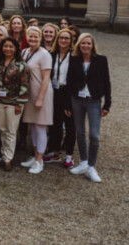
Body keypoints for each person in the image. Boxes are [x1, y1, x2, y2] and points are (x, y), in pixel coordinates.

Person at [66, 33, 111, 183]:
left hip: (94, 101)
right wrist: (68, 104)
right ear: (79, 45)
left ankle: (91, 166)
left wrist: (107, 104)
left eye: (88, 43)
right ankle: (84, 161)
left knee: (94, 135)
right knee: (80, 132)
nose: (86, 46)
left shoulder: (101, 60)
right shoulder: (74, 60)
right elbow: (69, 82)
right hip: (77, 100)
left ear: (92, 45)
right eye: (83, 43)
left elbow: (107, 82)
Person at [19, 26, 53, 174]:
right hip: (29, 94)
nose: (33, 39)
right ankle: (35, 155)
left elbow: (46, 79)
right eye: (30, 36)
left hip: (41, 93)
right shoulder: (25, 52)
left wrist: (40, 98)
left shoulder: (44, 54)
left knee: (40, 127)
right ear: (27, 37)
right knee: (32, 126)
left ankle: (40, 160)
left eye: (36, 37)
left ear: (40, 38)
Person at [0, 37, 29, 171]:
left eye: (10, 47)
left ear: (15, 49)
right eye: (5, 46)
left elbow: (24, 85)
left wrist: (20, 102)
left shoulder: (21, 65)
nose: (7, 49)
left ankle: (8, 158)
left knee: (11, 131)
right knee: (2, 130)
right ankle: (4, 155)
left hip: (14, 102)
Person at [47, 28, 76, 167]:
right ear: (57, 40)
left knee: (70, 125)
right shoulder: (52, 54)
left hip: (68, 92)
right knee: (55, 124)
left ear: (71, 41)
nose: (63, 41)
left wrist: (69, 102)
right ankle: (55, 151)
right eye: (61, 38)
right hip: (54, 91)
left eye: (66, 38)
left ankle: (69, 155)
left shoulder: (75, 56)